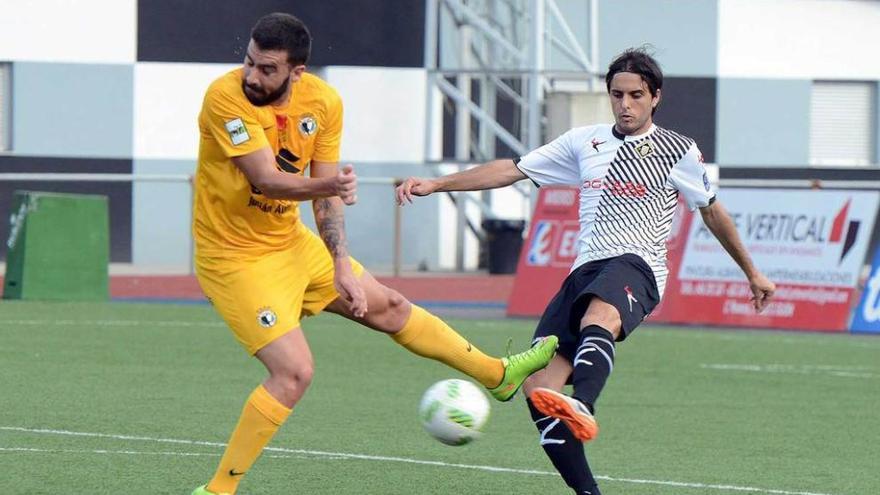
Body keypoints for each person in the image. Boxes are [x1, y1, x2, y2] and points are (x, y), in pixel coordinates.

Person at [189, 12, 558, 495]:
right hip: (233, 258)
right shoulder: (225, 98)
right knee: (294, 372)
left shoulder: (322, 102)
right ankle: (218, 490)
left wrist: (341, 262)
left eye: (267, 69)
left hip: (291, 244)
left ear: (297, 72)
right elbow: (267, 179)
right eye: (250, 63)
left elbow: (324, 198)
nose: (252, 76)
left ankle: (498, 376)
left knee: (391, 306)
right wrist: (334, 183)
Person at [396, 47, 776, 495]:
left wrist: (752, 272)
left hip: (638, 265)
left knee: (601, 317)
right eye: (617, 94)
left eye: (636, 95)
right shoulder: (584, 141)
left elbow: (712, 212)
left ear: (655, 97)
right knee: (537, 388)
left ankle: (584, 405)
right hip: (585, 269)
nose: (625, 104)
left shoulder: (678, 150)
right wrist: (438, 183)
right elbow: (511, 169)